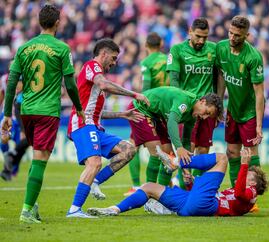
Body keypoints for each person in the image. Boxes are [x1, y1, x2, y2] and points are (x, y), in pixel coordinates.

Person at [0, 4, 84, 224]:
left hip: (25, 110)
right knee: (40, 159)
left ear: (39, 22)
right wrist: (79, 107)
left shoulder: (23, 48)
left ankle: (32, 205)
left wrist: (7, 113)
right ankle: (26, 211)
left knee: (36, 158)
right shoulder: (62, 48)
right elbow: (71, 85)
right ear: (57, 22)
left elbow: (11, 83)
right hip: (47, 111)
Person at [90, 86, 223, 200]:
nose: (204, 117)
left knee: (169, 154)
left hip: (155, 115)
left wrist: (186, 168)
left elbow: (187, 141)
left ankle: (160, 197)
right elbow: (171, 123)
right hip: (140, 109)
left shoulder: (193, 115)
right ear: (202, 101)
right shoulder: (185, 102)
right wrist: (179, 148)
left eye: (208, 116)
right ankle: (149, 197)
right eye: (207, 112)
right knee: (156, 151)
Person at [66, 38, 148, 218]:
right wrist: (135, 94)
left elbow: (98, 112)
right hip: (82, 124)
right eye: (112, 58)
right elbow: (104, 84)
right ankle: (74, 210)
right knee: (94, 162)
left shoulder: (97, 80)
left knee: (129, 150)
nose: (114, 62)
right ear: (103, 54)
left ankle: (95, 181)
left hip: (94, 126)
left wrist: (122, 115)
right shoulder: (92, 67)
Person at [86, 146, 269, 217]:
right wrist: (190, 183)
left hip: (205, 206)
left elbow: (238, 193)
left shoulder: (251, 195)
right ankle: (114, 209)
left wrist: (245, 165)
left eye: (248, 178)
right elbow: (209, 194)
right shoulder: (237, 192)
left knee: (222, 158)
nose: (243, 179)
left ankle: (175, 162)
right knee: (148, 187)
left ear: (254, 184)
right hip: (190, 206)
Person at [166, 17, 217, 187]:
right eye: (198, 36)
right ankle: (183, 188)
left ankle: (193, 186)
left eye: (205, 37)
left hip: (207, 109)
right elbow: (173, 82)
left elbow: (218, 78)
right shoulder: (177, 50)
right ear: (189, 31)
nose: (201, 40)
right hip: (188, 110)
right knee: (188, 148)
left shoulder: (214, 50)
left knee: (203, 150)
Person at [216, 15, 265, 188]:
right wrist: (219, 106)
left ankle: (252, 195)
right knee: (231, 152)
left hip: (249, 113)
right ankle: (236, 191)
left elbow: (260, 93)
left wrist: (259, 124)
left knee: (250, 154)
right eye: (230, 33)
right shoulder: (221, 48)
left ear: (247, 35)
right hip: (232, 111)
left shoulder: (253, 57)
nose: (232, 37)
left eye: (237, 35)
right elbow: (221, 76)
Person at [125, 32, 170, 196]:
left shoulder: (146, 62)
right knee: (165, 148)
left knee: (133, 146)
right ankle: (165, 186)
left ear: (146, 46)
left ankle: (137, 186)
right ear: (161, 45)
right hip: (165, 106)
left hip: (148, 106)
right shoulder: (168, 60)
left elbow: (147, 85)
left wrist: (144, 101)